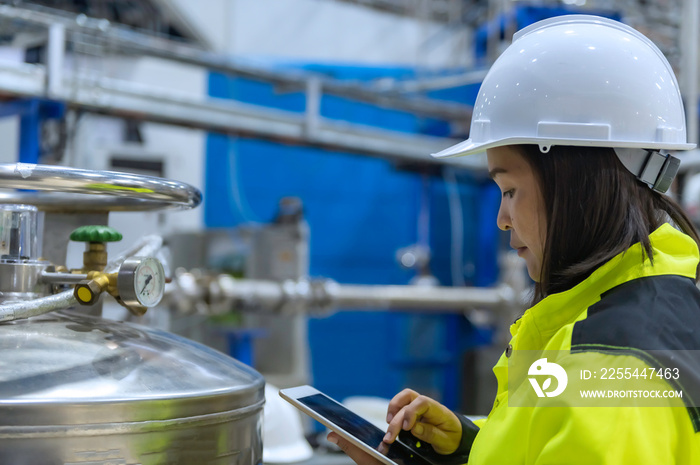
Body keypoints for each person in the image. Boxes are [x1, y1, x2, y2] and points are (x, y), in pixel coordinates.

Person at [328, 15, 700, 464]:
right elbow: (550, 435)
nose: (503, 220)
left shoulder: (604, 369)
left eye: (509, 190)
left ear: (574, 181)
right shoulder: (624, 308)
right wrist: (467, 443)